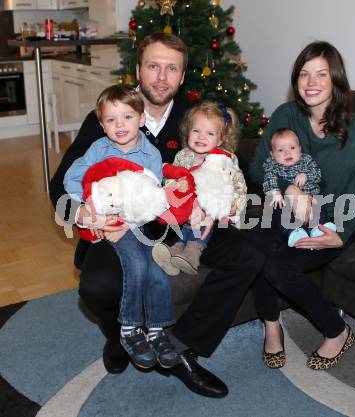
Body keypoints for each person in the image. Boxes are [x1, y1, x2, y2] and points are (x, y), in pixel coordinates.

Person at [49, 32, 264, 398]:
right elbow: (61, 185)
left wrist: (226, 205)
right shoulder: (109, 118)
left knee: (250, 255)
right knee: (96, 286)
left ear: (182, 77)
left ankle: (180, 347)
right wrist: (84, 214)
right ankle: (118, 335)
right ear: (139, 69)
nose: (161, 77)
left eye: (171, 69)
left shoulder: (192, 117)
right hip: (122, 226)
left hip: (182, 226)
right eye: (153, 66)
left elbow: (238, 171)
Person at [249, 41, 355, 370]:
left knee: (279, 267)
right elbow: (258, 164)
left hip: (333, 216)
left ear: (336, 80)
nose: (311, 81)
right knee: (255, 248)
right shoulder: (286, 115)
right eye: (304, 73)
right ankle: (271, 326)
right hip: (283, 208)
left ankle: (337, 331)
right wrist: (289, 187)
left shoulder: (353, 130)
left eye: (321, 73)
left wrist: (341, 234)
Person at [64, 84, 180, 369]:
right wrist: (86, 208)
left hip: (137, 222)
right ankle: (128, 329)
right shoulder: (97, 149)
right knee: (136, 265)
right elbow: (71, 178)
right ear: (102, 125)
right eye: (111, 119)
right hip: (106, 222)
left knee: (156, 267)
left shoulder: (150, 154)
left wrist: (129, 222)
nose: (120, 125)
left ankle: (156, 330)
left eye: (127, 117)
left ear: (141, 119)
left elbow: (153, 197)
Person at [152, 101, 247, 276]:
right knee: (179, 224)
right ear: (188, 132)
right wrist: (176, 185)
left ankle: (193, 252)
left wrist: (233, 204)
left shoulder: (227, 159)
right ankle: (175, 253)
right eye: (196, 131)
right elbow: (169, 179)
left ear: (221, 139)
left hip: (212, 212)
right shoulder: (183, 156)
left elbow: (239, 186)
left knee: (204, 220)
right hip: (186, 210)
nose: (201, 137)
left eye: (209, 133)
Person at [262, 127, 336, 247]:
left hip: (310, 198)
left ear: (300, 149)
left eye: (292, 148)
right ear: (272, 155)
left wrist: (306, 175)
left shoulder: (306, 161)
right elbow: (268, 179)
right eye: (280, 150)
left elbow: (317, 174)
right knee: (280, 214)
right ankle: (296, 233)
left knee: (318, 208)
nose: (287, 152)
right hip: (285, 203)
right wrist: (274, 192)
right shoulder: (272, 166)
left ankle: (319, 228)